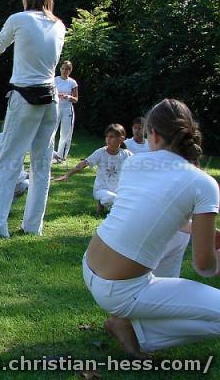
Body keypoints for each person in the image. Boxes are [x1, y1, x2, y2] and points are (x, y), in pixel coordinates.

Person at [82, 99, 220, 358]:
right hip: (119, 291)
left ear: (153, 134)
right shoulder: (203, 183)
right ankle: (138, 331)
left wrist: (198, 231)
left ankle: (133, 318)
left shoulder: (134, 163)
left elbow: (154, 213)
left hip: (90, 267)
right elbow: (204, 267)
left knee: (177, 237)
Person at [0, 0, 66, 237]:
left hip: (25, 98)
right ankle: (33, 226)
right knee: (41, 165)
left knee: (8, 160)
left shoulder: (19, 19)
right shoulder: (59, 25)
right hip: (51, 100)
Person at [54, 124, 132, 214]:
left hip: (118, 191)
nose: (108, 139)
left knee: (128, 200)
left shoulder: (126, 154)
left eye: (111, 137)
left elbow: (139, 165)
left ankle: (107, 208)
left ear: (121, 139)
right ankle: (108, 206)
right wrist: (68, 175)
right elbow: (83, 164)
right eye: (107, 136)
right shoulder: (100, 153)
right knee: (113, 199)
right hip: (101, 189)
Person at [53, 60, 78, 162]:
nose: (65, 71)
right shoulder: (55, 80)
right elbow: (49, 92)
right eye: (63, 68)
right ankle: (50, 154)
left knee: (65, 134)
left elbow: (76, 99)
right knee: (51, 132)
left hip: (67, 110)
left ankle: (61, 157)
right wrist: (56, 95)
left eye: (67, 69)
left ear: (70, 70)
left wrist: (68, 97)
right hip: (55, 108)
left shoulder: (72, 82)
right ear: (60, 69)